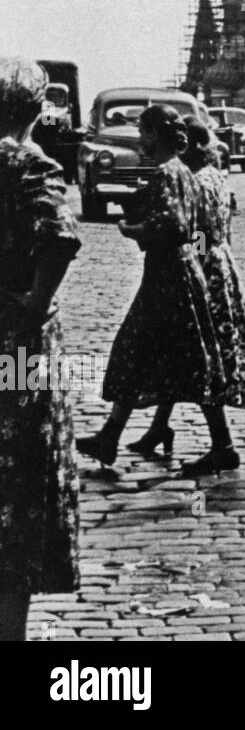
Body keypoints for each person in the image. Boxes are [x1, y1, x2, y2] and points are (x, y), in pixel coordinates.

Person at [128, 118, 245, 459]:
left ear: (188, 146)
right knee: (227, 349)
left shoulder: (196, 181)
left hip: (206, 269)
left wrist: (191, 259)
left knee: (201, 355)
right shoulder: (216, 177)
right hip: (222, 265)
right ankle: (162, 427)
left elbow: (200, 231)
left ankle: (223, 443)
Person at [77, 105, 234, 476]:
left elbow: (176, 226)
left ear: (156, 135)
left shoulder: (166, 173)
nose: (141, 140)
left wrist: (136, 231)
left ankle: (221, 445)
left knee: (151, 351)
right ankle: (111, 436)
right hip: (175, 274)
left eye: (144, 133)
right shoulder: (181, 171)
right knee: (165, 354)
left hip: (169, 278)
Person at [0, 58, 81, 640]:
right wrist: (33, 302)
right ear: (34, 111)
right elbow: (61, 238)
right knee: (21, 489)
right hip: (17, 347)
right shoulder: (29, 163)